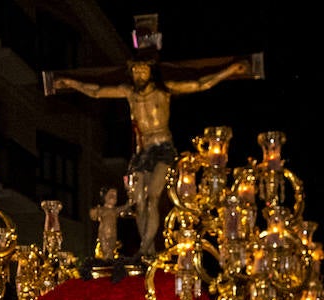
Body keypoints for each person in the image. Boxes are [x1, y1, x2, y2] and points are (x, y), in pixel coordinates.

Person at [48, 53, 261, 256]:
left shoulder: (164, 90)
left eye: (143, 71)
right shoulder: (129, 92)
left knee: (152, 198)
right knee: (138, 202)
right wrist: (69, 82)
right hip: (143, 152)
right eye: (136, 72)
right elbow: (96, 91)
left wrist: (231, 69)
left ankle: (145, 248)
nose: (139, 75)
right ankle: (147, 250)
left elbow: (199, 84)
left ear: (151, 72)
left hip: (163, 149)